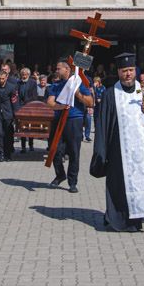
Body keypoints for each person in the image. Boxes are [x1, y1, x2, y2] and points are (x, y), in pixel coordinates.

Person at [89, 53, 144, 232]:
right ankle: (117, 219)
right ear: (118, 72)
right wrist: (101, 150)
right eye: (124, 71)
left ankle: (137, 217)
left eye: (130, 70)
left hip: (142, 151)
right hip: (119, 150)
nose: (128, 74)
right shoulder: (111, 94)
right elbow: (102, 123)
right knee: (118, 185)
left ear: (135, 71)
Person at [46, 58, 94, 193]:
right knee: (54, 149)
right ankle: (60, 175)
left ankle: (73, 182)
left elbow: (90, 102)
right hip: (59, 120)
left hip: (74, 120)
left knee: (74, 151)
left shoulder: (78, 83)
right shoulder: (55, 85)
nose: (56, 71)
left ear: (67, 69)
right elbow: (50, 103)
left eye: (58, 68)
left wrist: (78, 94)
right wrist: (60, 106)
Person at [16, 67, 39, 154]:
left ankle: (31, 144)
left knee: (30, 127)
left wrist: (27, 103)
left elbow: (34, 96)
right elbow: (16, 94)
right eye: (22, 74)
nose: (24, 76)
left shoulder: (33, 83)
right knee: (22, 127)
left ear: (28, 75)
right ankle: (23, 147)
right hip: (21, 108)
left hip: (30, 108)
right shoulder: (18, 83)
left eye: (25, 75)